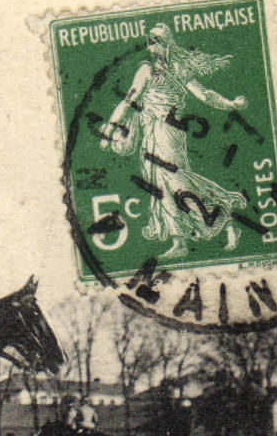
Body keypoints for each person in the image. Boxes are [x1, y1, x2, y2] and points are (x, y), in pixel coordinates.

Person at [100, 24, 249, 260]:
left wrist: (230, 104)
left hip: (166, 132)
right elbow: (129, 101)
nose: (151, 44)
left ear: (167, 42)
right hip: (158, 133)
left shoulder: (165, 70)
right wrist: (110, 127)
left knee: (177, 184)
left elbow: (204, 94)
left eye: (156, 39)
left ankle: (225, 219)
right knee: (164, 187)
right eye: (149, 40)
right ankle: (179, 240)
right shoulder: (154, 70)